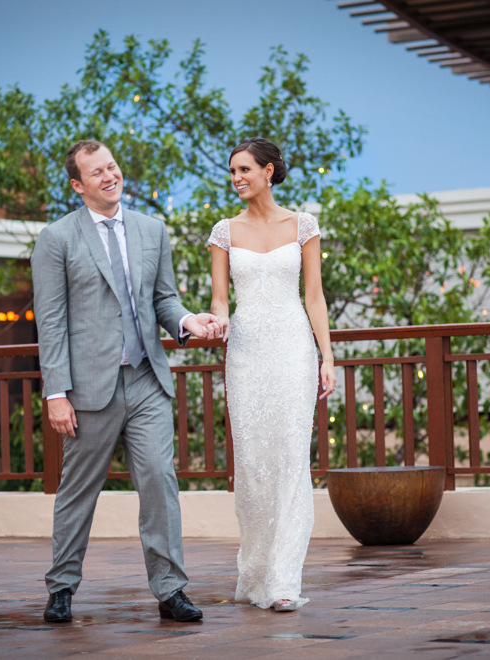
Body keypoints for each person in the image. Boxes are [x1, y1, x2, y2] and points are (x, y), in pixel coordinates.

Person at [32, 139, 221, 624]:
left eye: (112, 166)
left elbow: (165, 300)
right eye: (96, 172)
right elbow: (50, 322)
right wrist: (56, 394)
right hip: (88, 388)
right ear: (78, 185)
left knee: (160, 480)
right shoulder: (57, 239)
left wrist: (187, 323)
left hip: (146, 381)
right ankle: (61, 589)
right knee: (78, 490)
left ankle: (171, 589)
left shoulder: (152, 230)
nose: (109, 176)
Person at [208, 137, 337, 612]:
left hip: (293, 350)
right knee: (254, 466)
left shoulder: (302, 225)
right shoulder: (223, 231)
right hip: (245, 353)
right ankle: (256, 570)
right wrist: (216, 320)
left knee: (289, 460)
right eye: (233, 171)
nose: (237, 178)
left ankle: (283, 579)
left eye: (244, 169)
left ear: (269, 171)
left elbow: (315, 297)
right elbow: (221, 301)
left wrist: (327, 356)